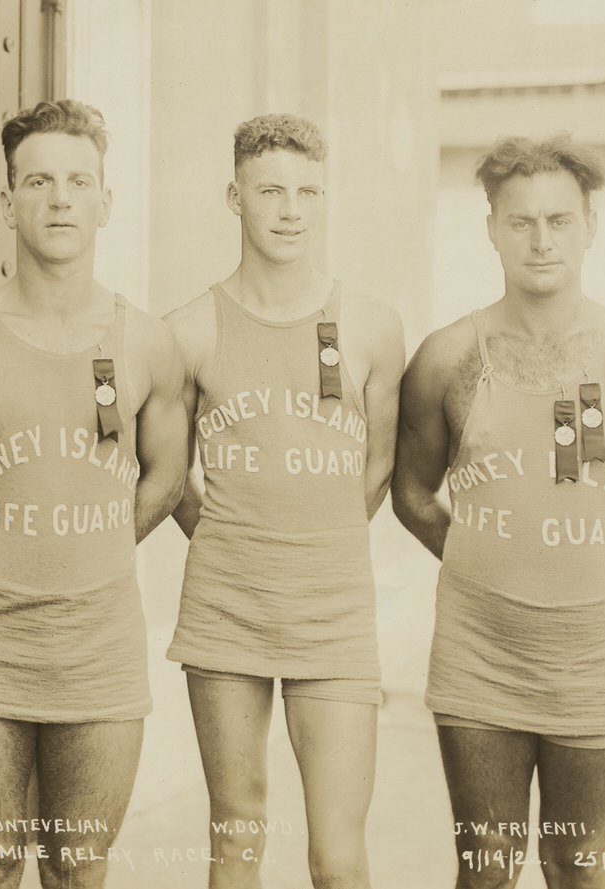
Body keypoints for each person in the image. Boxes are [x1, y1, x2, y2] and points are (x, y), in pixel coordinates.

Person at [0, 99, 187, 889]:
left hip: (101, 650)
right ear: (6, 200)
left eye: (78, 181)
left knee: (78, 864)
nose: (59, 199)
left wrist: (95, 546)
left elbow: (166, 474)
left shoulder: (146, 341)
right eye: (38, 181)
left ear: (105, 203)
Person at [392, 134, 605, 888]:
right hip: (480, 658)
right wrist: (488, 562)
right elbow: (410, 493)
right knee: (487, 867)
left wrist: (593, 570)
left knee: (578, 865)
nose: (541, 239)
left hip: (602, 664)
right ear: (490, 229)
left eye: (560, 220)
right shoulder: (445, 357)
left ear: (591, 225)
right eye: (521, 221)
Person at [164, 113, 404, 889]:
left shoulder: (371, 323)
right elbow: (169, 476)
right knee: (235, 835)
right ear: (235, 197)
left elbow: (376, 470)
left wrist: (313, 538)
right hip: (226, 608)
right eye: (271, 190)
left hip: (334, 610)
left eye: (307, 191)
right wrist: (236, 534)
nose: (291, 209)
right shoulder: (188, 330)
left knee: (337, 853)